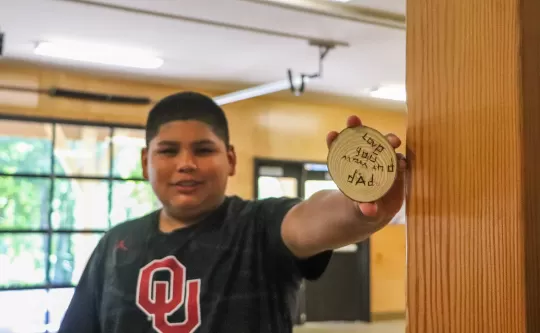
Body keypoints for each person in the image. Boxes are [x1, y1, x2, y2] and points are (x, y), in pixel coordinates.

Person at [58, 91, 406, 333]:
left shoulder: (258, 227)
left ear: (231, 159)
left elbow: (313, 219)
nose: (186, 164)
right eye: (168, 151)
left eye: (203, 149)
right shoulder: (116, 244)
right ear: (144, 161)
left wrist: (360, 205)